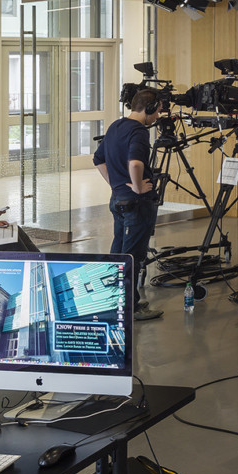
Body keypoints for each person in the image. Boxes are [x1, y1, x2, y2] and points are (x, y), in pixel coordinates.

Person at [95, 90, 166, 321]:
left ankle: (120, 302)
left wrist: (115, 185)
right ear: (149, 108)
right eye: (157, 111)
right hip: (136, 203)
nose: (157, 116)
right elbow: (135, 162)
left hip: (118, 200)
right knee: (132, 257)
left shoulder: (116, 125)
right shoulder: (139, 132)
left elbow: (98, 159)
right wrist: (136, 187)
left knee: (118, 254)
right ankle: (130, 309)